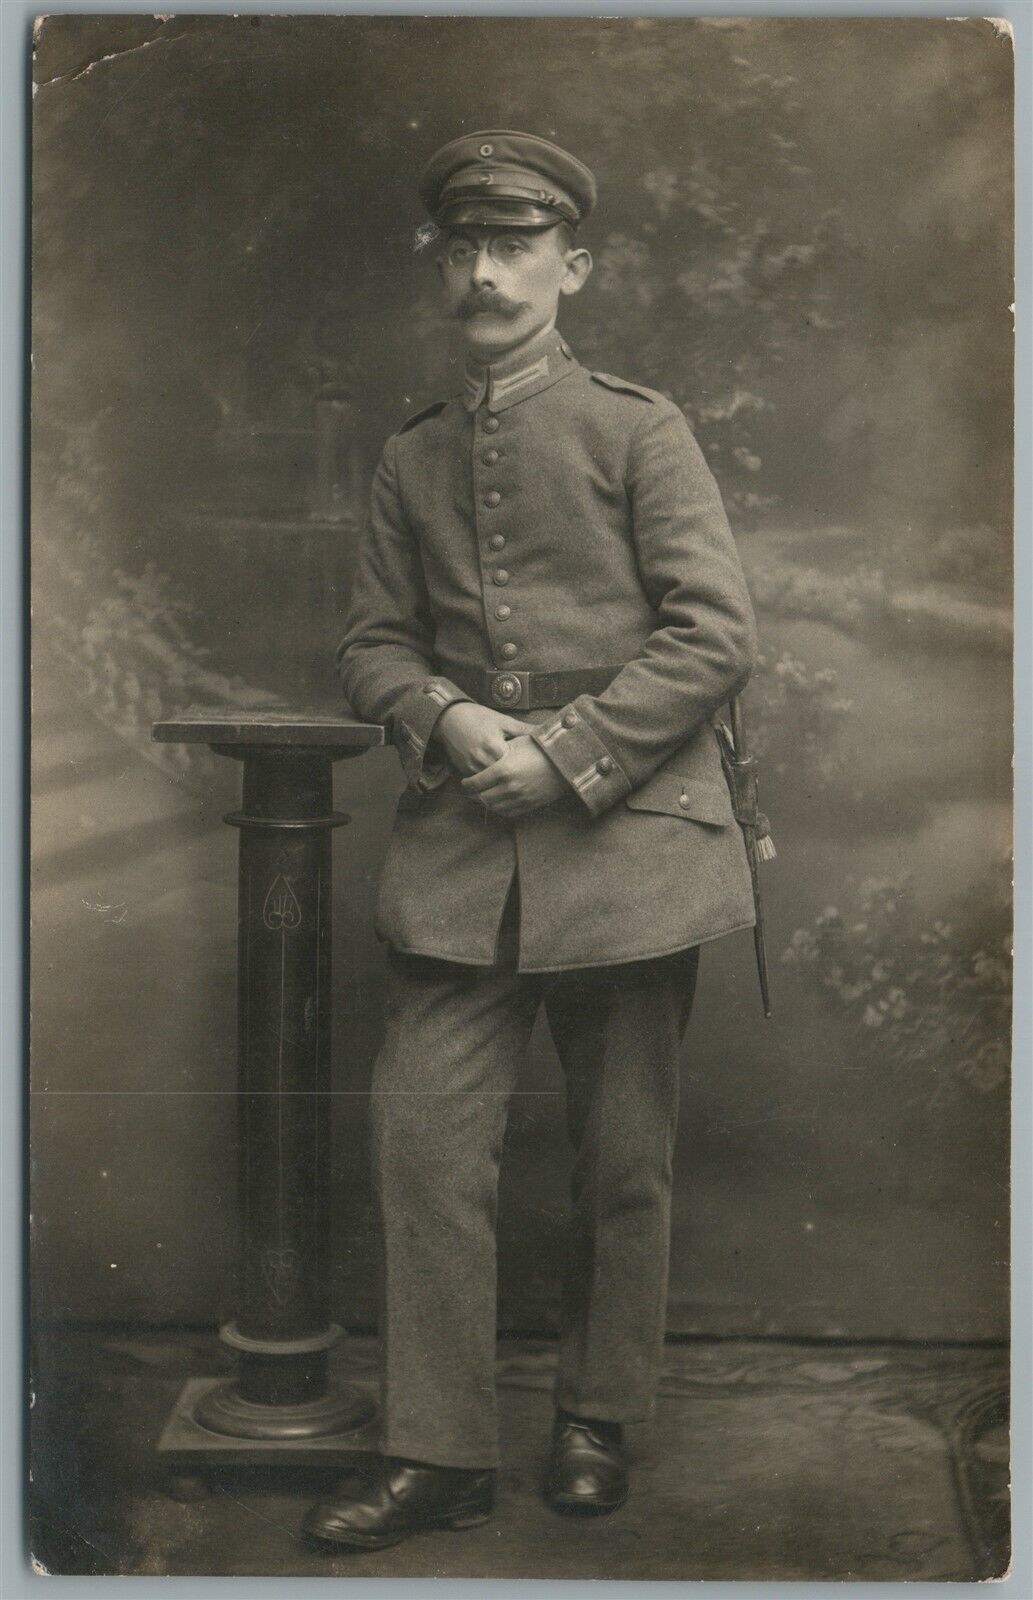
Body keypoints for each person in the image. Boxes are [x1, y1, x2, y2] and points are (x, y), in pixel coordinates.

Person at [302, 129, 758, 1552]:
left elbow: (714, 635)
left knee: (620, 1155)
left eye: (517, 247)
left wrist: (565, 755)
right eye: (465, 247)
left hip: (626, 831)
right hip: (458, 844)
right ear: (443, 264)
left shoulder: (638, 427)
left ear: (575, 265)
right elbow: (370, 645)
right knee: (426, 1147)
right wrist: (440, 720)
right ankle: (435, 1452)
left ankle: (594, 1419)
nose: (488, 273)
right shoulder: (411, 455)